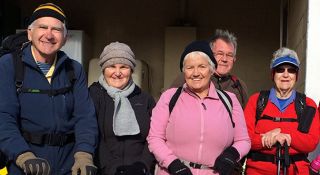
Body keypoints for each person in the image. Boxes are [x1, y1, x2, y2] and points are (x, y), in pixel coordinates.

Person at [0, 3, 98, 175]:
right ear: (30, 33)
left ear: (65, 38)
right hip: (25, 165)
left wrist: (84, 155)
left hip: (68, 166)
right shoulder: (9, 65)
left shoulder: (74, 69)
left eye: (56, 29)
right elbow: (4, 117)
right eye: (43, 27)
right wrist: (23, 156)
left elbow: (85, 117)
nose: (49, 35)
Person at [147, 40, 250, 175]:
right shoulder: (169, 97)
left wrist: (232, 154)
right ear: (184, 72)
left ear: (212, 69)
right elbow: (155, 138)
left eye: (202, 66)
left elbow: (243, 140)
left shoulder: (230, 100)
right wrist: (172, 164)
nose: (196, 73)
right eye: (190, 68)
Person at [244, 47, 320, 175]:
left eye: (291, 70)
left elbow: (311, 142)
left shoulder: (307, 104)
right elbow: (245, 138)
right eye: (280, 70)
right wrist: (265, 140)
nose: (286, 75)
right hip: (258, 171)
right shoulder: (256, 100)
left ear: (296, 76)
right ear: (272, 74)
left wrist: (284, 134)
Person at [89, 42, 156, 175]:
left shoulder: (144, 99)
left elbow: (154, 136)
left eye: (124, 67)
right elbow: (88, 134)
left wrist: (143, 165)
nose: (118, 73)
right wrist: (107, 168)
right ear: (103, 69)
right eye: (112, 66)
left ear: (131, 70)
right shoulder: (92, 95)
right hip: (104, 171)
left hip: (139, 171)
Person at [170, 29, 248, 108]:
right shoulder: (189, 78)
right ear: (210, 55)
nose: (224, 59)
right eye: (220, 53)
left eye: (229, 55)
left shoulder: (239, 86)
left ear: (234, 59)